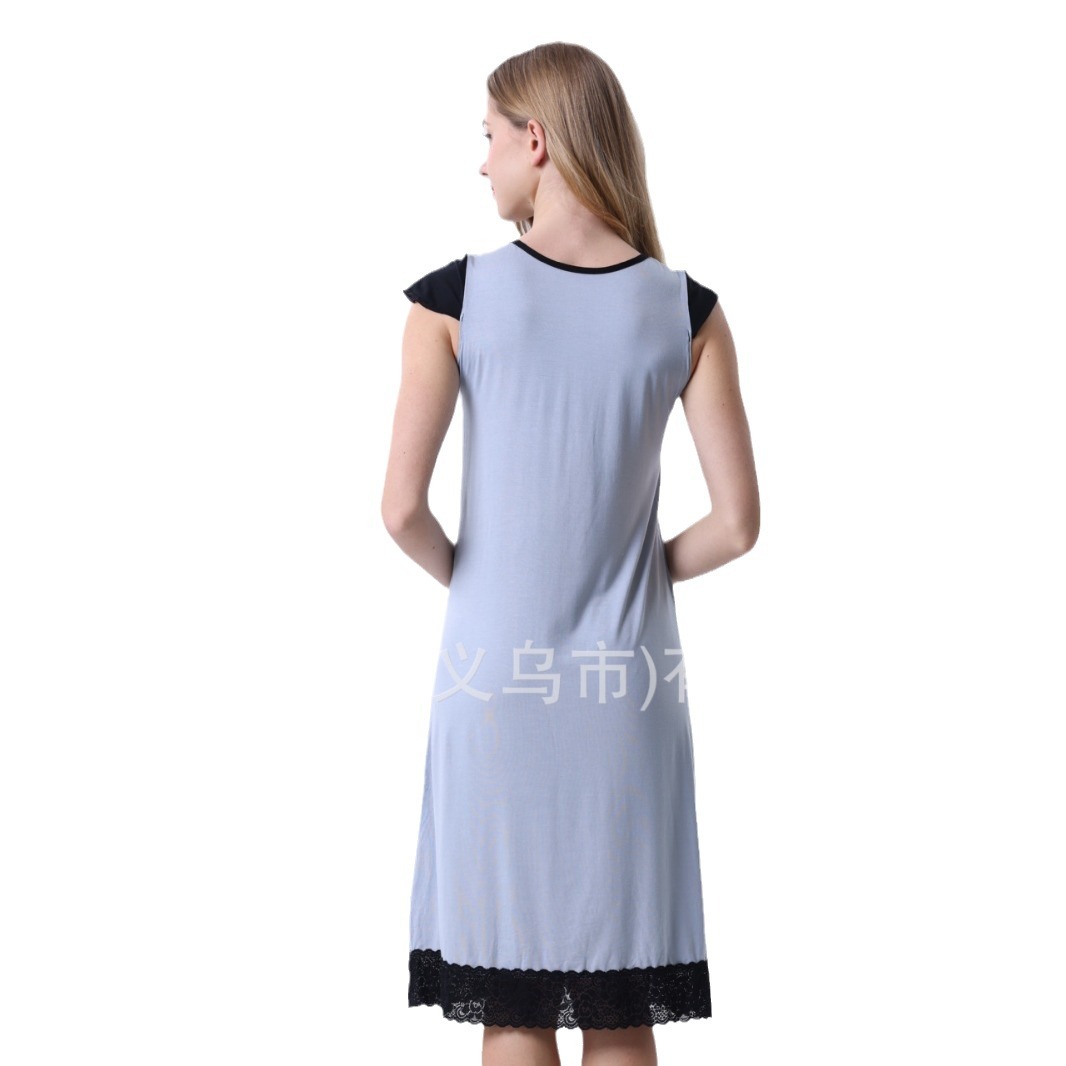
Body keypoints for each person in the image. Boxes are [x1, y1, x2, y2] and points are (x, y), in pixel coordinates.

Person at [382, 42, 759, 1066]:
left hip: (492, 679)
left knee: (511, 1005)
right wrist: (629, 570)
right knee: (619, 1001)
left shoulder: (454, 299)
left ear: (536, 141)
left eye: (489, 137)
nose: (482, 161)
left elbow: (402, 510)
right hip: (626, 686)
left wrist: (484, 581)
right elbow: (736, 524)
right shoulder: (686, 310)